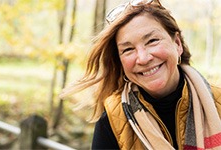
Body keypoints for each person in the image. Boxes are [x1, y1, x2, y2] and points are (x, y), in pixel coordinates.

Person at [60, 0, 221, 149]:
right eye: (128, 49)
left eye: (152, 41)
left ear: (177, 44)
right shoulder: (112, 122)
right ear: (120, 62)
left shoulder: (218, 102)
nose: (143, 58)